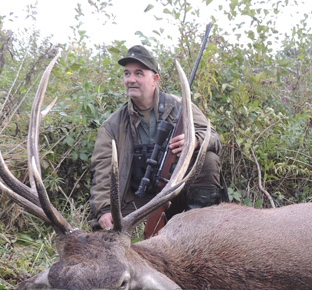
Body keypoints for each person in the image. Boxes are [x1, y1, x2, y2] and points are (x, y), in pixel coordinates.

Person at [89, 45, 225, 230]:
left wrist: (195, 141)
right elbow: (103, 174)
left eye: (139, 73)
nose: (131, 79)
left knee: (208, 159)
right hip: (136, 202)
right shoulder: (112, 126)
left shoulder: (180, 106)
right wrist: (104, 210)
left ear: (155, 79)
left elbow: (214, 138)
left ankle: (202, 228)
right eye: (127, 74)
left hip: (176, 194)